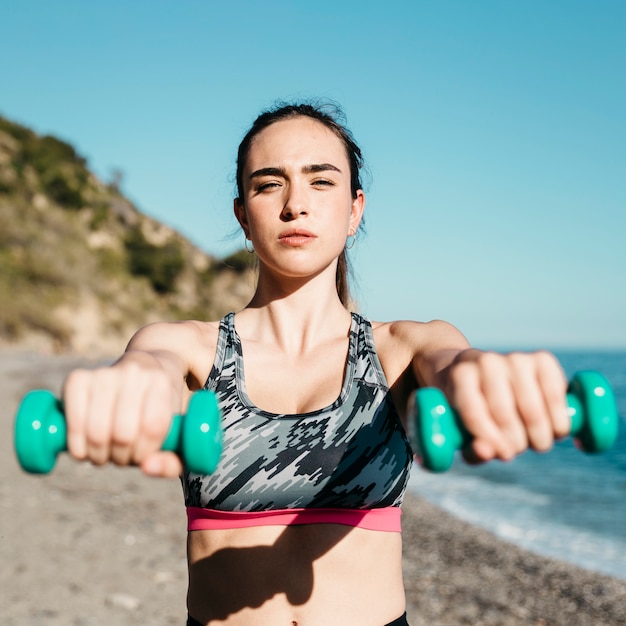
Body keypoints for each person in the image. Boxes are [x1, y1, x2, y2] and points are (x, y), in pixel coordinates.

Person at [62, 101, 570, 626]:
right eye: (268, 184)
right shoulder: (189, 348)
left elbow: (454, 363)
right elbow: (152, 367)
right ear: (243, 215)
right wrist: (134, 383)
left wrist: (482, 378)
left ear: (355, 210)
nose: (295, 205)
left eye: (321, 182)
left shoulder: (401, 349)